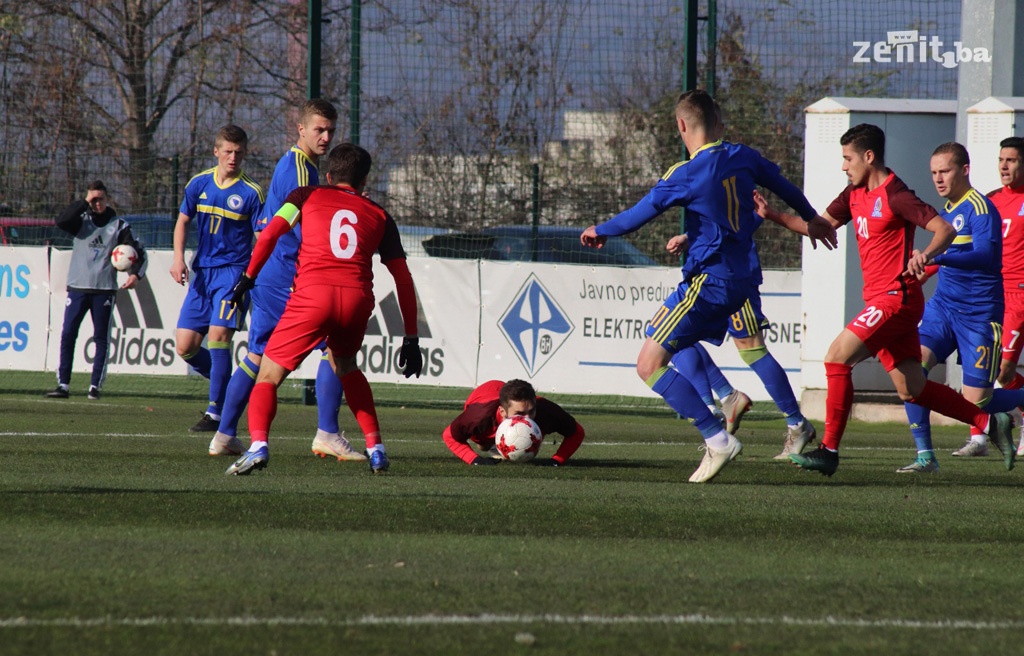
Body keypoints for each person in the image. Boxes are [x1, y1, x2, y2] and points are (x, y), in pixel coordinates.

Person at [580, 89, 835, 483]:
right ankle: (729, 403)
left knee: (648, 365)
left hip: (710, 282)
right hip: (742, 280)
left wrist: (602, 230)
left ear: (681, 125)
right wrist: (812, 216)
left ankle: (717, 435)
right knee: (676, 342)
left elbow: (639, 213)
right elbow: (782, 185)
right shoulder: (743, 156)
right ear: (718, 123)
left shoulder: (685, 173)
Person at [777, 124, 1015, 476]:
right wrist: (771, 215)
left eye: (848, 158)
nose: (844, 166)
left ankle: (828, 450)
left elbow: (944, 231)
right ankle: (989, 421)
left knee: (836, 358)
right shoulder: (852, 194)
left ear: (869, 157)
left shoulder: (897, 195)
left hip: (896, 301)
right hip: (881, 300)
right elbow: (819, 227)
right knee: (912, 388)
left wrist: (928, 256)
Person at [223, 143, 424, 476]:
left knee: (269, 376)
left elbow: (272, 232)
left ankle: (258, 446)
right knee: (345, 365)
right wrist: (412, 338)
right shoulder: (380, 215)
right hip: (357, 299)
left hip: (313, 296)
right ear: (364, 182)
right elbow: (402, 277)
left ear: (329, 176)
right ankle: (376, 448)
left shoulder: (305, 195)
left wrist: (247, 277)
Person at [210, 99, 375, 462]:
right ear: (300, 129)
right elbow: (304, 229)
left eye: (330, 130)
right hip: (288, 277)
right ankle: (328, 434)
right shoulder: (304, 173)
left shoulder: (296, 164)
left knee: (257, 356)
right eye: (319, 129)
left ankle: (224, 434)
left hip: (271, 275)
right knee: (335, 351)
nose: (326, 136)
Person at [893, 142, 1022, 472]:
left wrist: (938, 256)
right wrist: (920, 271)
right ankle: (925, 456)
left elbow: (986, 257)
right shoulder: (946, 213)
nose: (938, 179)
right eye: (934, 172)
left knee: (976, 402)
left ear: (964, 170)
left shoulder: (981, 208)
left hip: (980, 315)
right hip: (942, 309)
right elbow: (942, 260)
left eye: (945, 171)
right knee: (911, 374)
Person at [170, 125, 264, 433]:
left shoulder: (251, 192)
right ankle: (232, 385)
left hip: (234, 274)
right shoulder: (199, 184)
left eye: (238, 152)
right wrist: (177, 258)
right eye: (227, 151)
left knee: (218, 337)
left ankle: (216, 412)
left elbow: (263, 237)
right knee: (185, 346)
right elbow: (183, 221)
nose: (233, 157)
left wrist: (254, 276)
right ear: (216, 151)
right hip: (203, 275)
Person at [952, 136, 1024, 459]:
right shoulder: (991, 201)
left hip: (1020, 295)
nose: (1004, 166)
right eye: (1000, 160)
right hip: (994, 294)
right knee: (987, 368)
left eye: (1011, 160)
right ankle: (979, 438)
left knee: (1003, 371)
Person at [45, 181, 147, 400]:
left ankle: (95, 387)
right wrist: (84, 203)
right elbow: (61, 221)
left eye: (100, 199)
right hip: (78, 288)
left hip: (104, 290)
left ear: (107, 199)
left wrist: (135, 275)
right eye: (93, 199)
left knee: (101, 338)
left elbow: (139, 252)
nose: (97, 203)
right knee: (68, 334)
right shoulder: (80, 221)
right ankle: (63, 384)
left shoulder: (118, 225)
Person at [443, 379, 585, 466]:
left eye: (531, 411)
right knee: (483, 445)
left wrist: (556, 460)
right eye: (520, 414)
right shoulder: (478, 416)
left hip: (500, 398)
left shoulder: (545, 410)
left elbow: (577, 432)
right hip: (481, 396)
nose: (527, 419)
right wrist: (474, 459)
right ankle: (491, 444)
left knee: (538, 427)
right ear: (503, 411)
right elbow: (449, 436)